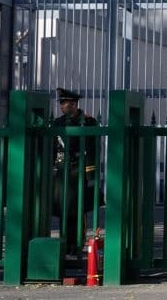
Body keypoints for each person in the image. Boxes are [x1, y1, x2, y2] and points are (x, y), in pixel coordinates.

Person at [52, 88, 98, 253]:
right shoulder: (57, 123)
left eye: (64, 103)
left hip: (79, 170)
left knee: (79, 210)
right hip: (62, 171)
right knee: (63, 209)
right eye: (61, 103)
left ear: (73, 104)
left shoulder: (88, 122)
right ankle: (65, 241)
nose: (61, 106)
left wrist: (90, 173)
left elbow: (92, 149)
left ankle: (77, 243)